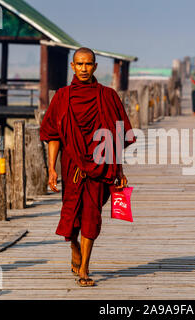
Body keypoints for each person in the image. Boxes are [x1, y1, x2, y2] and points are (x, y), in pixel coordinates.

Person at [40, 47, 136, 287]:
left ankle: (84, 268)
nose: (84, 69)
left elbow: (117, 134)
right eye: (79, 64)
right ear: (73, 66)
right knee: (71, 215)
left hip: (101, 165)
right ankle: (74, 247)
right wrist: (51, 168)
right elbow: (53, 135)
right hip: (71, 165)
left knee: (91, 215)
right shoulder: (62, 96)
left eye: (88, 64)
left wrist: (120, 171)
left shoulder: (108, 96)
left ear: (94, 66)